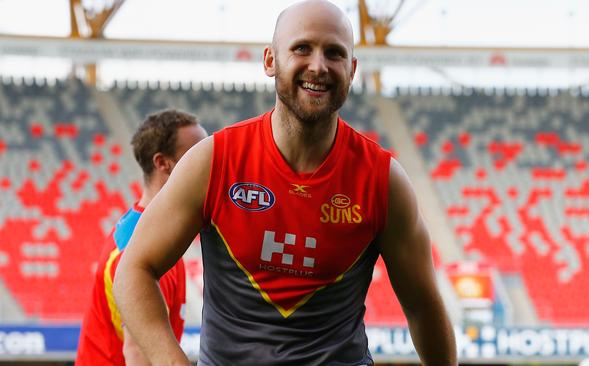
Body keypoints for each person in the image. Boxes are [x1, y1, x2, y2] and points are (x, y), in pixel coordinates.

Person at [113, 1, 457, 365]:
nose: (318, 66)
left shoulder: (383, 181)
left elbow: (423, 306)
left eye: (335, 53)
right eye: (302, 48)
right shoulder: (214, 161)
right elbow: (133, 270)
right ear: (270, 61)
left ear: (352, 70)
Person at [76, 109, 207, 365]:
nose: (209, 162)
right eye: (196, 154)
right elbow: (138, 353)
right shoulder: (144, 249)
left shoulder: (146, 227)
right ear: (162, 163)